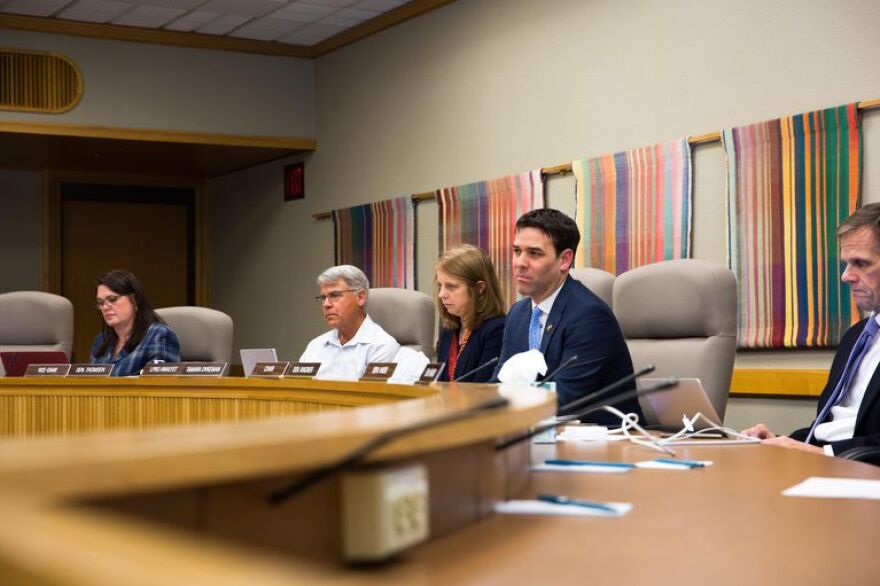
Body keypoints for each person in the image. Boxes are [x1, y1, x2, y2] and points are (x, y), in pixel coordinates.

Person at [743, 203, 880, 455]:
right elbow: (833, 427)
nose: (846, 276)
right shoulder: (856, 336)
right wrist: (782, 441)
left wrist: (821, 454)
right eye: (846, 264)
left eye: (861, 263)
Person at [492, 208, 639, 423]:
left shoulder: (589, 316)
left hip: (603, 441)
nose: (520, 263)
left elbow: (563, 399)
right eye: (517, 251)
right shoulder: (518, 314)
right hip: (536, 434)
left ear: (564, 260)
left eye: (534, 253)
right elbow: (499, 381)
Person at [300, 265, 399, 380]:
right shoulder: (315, 346)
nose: (326, 304)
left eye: (335, 295)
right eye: (323, 297)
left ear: (360, 297)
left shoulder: (382, 346)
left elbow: (369, 396)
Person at [435, 245, 507, 382]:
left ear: (479, 288)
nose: (441, 294)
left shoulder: (497, 330)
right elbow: (440, 383)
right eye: (440, 286)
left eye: (451, 286)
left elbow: (483, 390)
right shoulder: (448, 329)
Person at [91, 269, 181, 377]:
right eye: (100, 303)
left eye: (112, 299)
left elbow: (159, 386)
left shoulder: (159, 335)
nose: (105, 307)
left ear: (135, 299)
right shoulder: (101, 342)